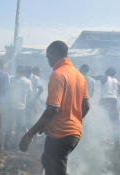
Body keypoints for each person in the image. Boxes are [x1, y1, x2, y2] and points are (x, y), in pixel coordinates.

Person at [19, 41, 90, 175]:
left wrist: (29, 134)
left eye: (47, 57)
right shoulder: (79, 76)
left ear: (53, 55)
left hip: (61, 135)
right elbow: (86, 107)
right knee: (48, 161)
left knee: (55, 170)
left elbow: (52, 110)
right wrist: (73, 121)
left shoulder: (58, 74)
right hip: (74, 134)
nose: (48, 61)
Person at [92, 67, 120, 149]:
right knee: (115, 124)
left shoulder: (104, 77)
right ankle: (117, 145)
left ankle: (95, 142)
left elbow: (94, 77)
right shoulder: (117, 83)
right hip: (113, 102)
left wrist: (84, 75)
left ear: (107, 72)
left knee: (99, 122)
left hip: (103, 102)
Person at [6, 66, 32, 149]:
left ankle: (7, 143)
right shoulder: (28, 81)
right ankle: (16, 144)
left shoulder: (13, 79)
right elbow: (30, 94)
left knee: (10, 125)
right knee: (18, 127)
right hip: (21, 107)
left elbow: (8, 90)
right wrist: (24, 99)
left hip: (12, 106)